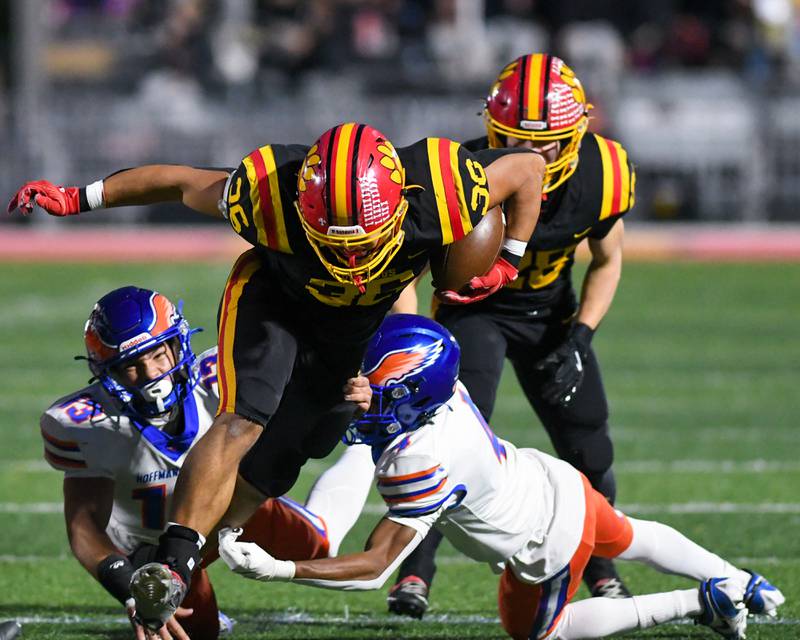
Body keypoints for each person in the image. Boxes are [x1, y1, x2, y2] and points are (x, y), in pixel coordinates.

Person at [10, 121, 545, 629]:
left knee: (284, 462)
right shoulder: (267, 193)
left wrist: (510, 258)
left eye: (361, 241)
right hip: (275, 301)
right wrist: (78, 198)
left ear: (402, 202)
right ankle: (172, 563)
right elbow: (181, 182)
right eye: (332, 240)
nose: (348, 256)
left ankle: (181, 560)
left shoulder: (444, 187)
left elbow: (527, 168)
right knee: (243, 419)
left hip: (350, 329)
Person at [217, 314, 785, 640]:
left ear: (409, 396)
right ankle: (741, 579)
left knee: (539, 634)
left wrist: (281, 569)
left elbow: (373, 569)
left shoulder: (418, 458)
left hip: (543, 542)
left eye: (374, 385)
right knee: (632, 535)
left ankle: (701, 602)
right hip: (553, 484)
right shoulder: (443, 392)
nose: (360, 392)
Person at [387, 53, 636, 617]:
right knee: (446, 440)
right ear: (491, 129)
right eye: (516, 139)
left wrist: (582, 336)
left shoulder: (602, 172)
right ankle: (415, 571)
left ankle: (601, 564)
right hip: (473, 311)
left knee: (589, 446)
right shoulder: (461, 175)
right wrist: (414, 336)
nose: (532, 153)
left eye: (546, 143)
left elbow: (607, 260)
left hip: (550, 315)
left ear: (576, 133)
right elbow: (406, 269)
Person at [40, 285, 374, 639]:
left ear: (177, 344)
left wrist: (345, 401)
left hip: (232, 507)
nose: (152, 374)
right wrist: (128, 585)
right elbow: (85, 526)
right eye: (132, 366)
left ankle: (364, 450)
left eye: (158, 354)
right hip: (155, 552)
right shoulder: (83, 422)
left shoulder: (224, 375)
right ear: (106, 372)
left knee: (318, 548)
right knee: (191, 633)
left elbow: (307, 396)